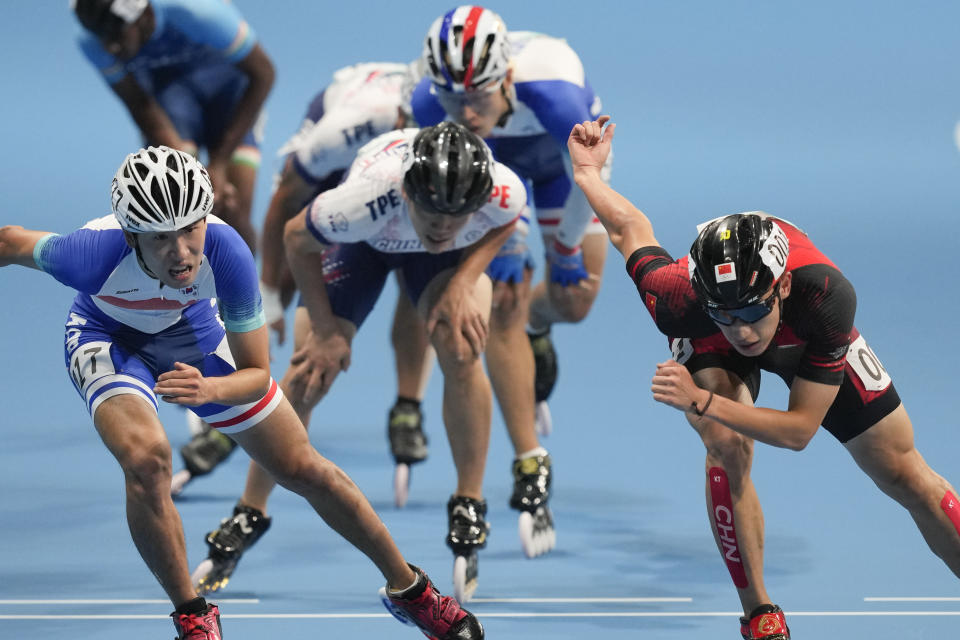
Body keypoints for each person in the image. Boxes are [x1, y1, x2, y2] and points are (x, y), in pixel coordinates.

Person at [0, 146, 483, 640]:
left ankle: (412, 592)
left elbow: (256, 372)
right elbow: (9, 241)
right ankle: (193, 615)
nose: (181, 251)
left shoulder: (226, 251)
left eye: (190, 228)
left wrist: (209, 387)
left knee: (303, 468)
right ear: (130, 236)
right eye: (161, 238)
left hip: (190, 337)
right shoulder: (86, 256)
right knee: (146, 461)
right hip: (106, 336)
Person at [569, 115, 960, 639]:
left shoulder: (825, 299)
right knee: (726, 443)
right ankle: (758, 613)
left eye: (752, 314)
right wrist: (590, 174)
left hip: (801, 331)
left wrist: (699, 401)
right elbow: (628, 230)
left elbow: (799, 431)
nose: (743, 334)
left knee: (902, 471)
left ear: (779, 290)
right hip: (704, 338)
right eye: (726, 316)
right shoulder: (678, 298)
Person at [193, 122, 528, 603]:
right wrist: (328, 330)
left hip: (447, 263)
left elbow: (506, 220)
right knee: (309, 373)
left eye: (457, 217)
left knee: (460, 341)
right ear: (410, 192)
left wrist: (463, 280)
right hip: (364, 246)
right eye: (432, 212)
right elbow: (295, 238)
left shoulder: (500, 190)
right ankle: (251, 509)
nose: (441, 228)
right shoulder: (364, 201)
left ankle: (469, 501)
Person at [387, 4, 612, 557]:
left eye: (478, 97)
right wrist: (500, 239)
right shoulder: (425, 105)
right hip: (486, 167)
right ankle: (527, 456)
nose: (464, 110)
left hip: (564, 165)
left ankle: (540, 317)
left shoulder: (557, 95)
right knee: (501, 299)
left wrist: (561, 254)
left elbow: (592, 179)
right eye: (452, 99)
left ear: (506, 78)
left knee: (576, 297)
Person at [73, 0, 276, 493]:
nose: (116, 49)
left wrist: (223, 161)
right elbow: (142, 106)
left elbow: (263, 76)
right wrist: (189, 166)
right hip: (172, 105)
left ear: (142, 14)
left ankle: (247, 308)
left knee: (235, 209)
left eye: (123, 38)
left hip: (232, 96)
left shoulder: (197, 13)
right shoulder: (94, 38)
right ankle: (190, 301)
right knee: (176, 210)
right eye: (109, 44)